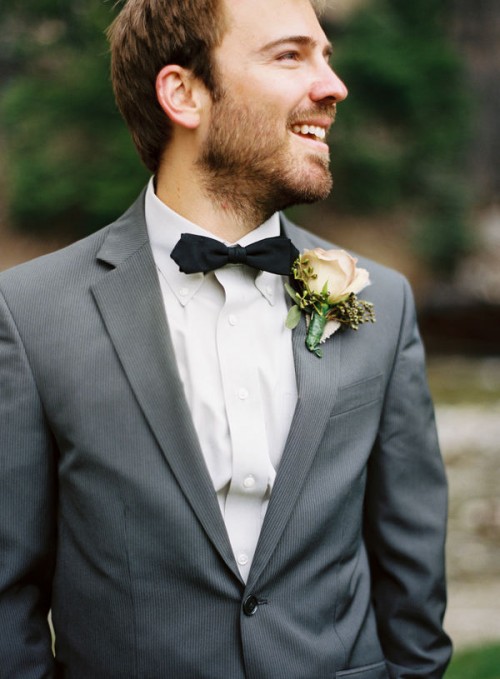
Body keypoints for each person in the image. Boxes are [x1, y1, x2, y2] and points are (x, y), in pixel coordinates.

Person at [0, 0, 452, 677]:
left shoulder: (380, 301)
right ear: (183, 93)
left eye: (327, 57)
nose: (333, 86)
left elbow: (412, 569)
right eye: (291, 55)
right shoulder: (29, 313)